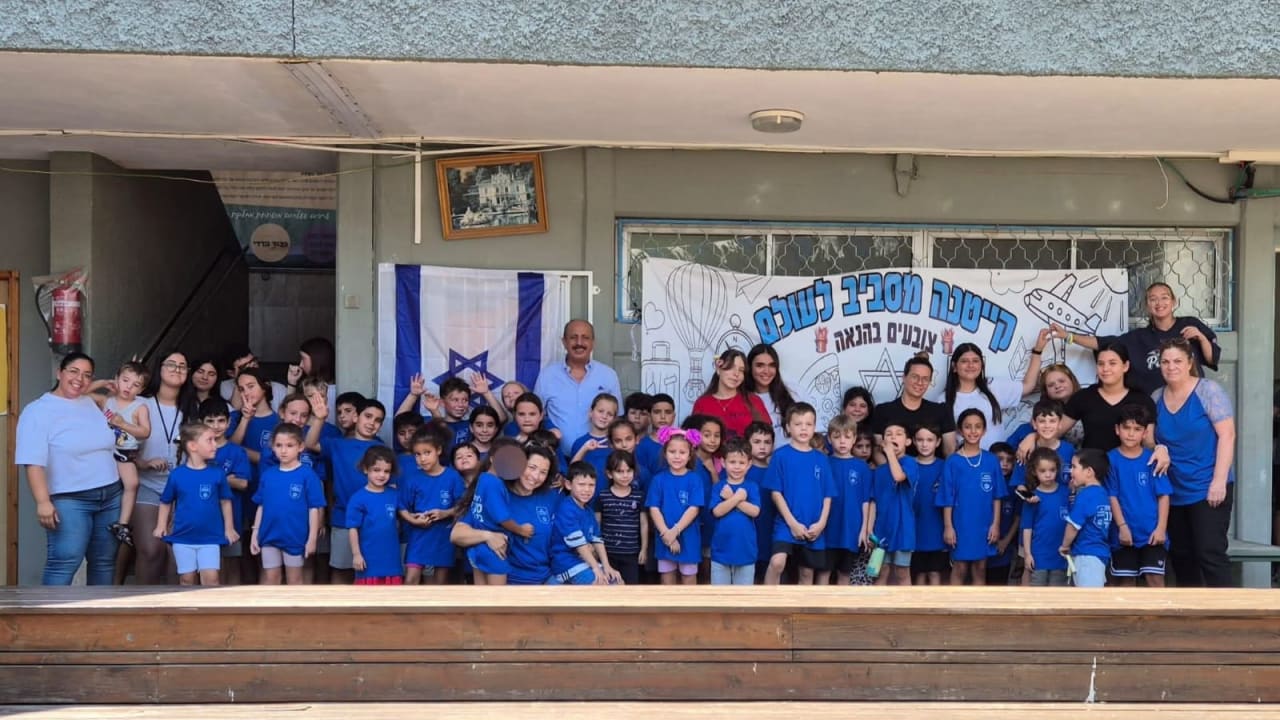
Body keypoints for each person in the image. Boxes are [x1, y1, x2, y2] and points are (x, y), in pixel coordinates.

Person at [16, 352, 122, 585]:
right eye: (73, 371)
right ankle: (49, 620)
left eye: (87, 375)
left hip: (111, 495)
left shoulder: (89, 402)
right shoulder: (37, 411)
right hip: (70, 499)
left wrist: (103, 383)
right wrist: (43, 502)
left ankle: (98, 620)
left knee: (104, 561)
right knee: (65, 561)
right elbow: (32, 461)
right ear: (59, 373)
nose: (80, 379)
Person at [1153, 338, 1235, 587]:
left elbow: (1227, 435)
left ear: (1190, 363)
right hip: (1174, 490)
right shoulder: (1156, 396)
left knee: (1209, 553)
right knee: (1181, 556)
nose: (1171, 366)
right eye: (1165, 361)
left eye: (1177, 361)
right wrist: (1159, 447)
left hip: (1208, 486)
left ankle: (1228, 617)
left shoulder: (1208, 391)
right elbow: (1149, 439)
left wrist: (1219, 481)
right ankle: (1193, 620)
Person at [1056, 282, 1222, 395]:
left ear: (1173, 302)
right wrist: (1068, 336)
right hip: (1155, 405)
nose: (1159, 303)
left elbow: (1211, 358)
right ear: (1147, 306)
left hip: (1192, 398)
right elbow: (1103, 342)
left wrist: (1200, 337)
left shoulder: (1190, 324)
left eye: (1164, 297)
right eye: (1153, 299)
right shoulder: (1138, 337)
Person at [305, 395, 387, 584]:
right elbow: (309, 444)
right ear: (356, 417)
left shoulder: (381, 448)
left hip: (373, 520)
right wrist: (319, 419)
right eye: (368, 416)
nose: (372, 423)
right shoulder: (337, 443)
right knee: (341, 570)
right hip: (342, 517)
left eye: (378, 420)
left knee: (369, 571)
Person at [133, 350, 197, 584]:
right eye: (171, 364)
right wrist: (142, 462)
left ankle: (172, 613)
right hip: (147, 484)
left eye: (182, 366)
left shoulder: (193, 409)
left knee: (176, 554)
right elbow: (121, 444)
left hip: (182, 489)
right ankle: (141, 609)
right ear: (158, 369)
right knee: (151, 550)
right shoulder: (142, 405)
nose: (177, 369)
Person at [155, 422, 238, 586]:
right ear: (193, 446)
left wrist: (229, 528)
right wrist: (161, 525)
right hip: (183, 536)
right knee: (187, 579)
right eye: (210, 440)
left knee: (212, 578)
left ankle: (208, 612)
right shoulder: (177, 475)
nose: (215, 445)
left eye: (215, 440)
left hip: (210, 536)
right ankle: (187, 611)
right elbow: (166, 501)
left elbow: (225, 502)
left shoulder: (217, 474)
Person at [762, 403, 835, 585]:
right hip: (787, 523)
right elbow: (775, 493)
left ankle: (803, 612)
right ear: (788, 427)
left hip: (814, 525)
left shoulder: (822, 459)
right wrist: (792, 523)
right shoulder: (780, 456)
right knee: (777, 562)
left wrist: (821, 523)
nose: (804, 428)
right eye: (798, 424)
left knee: (806, 572)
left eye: (808, 424)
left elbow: (828, 495)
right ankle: (765, 604)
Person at [249, 423, 324, 585]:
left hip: (295, 537)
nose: (283, 450)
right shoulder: (268, 474)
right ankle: (273, 611)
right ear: (272, 447)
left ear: (301, 447)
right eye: (279, 445)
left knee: (295, 581)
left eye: (289, 445)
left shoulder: (307, 475)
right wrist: (255, 534)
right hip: (268, 536)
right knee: (271, 579)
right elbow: (261, 506)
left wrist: (312, 539)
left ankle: (295, 611)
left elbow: (314, 509)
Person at [1107, 403, 1172, 588]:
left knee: (1155, 579)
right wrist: (1122, 526)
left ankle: (1159, 618)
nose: (1131, 433)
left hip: (1151, 532)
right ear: (1117, 430)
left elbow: (1164, 495)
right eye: (1126, 428)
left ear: (1145, 433)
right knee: (1126, 583)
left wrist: (1161, 528)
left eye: (1137, 429)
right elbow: (1112, 495)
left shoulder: (1153, 459)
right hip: (1124, 533)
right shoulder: (1111, 459)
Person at [89, 360, 151, 548]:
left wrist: (122, 423)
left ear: (140, 390)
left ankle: (122, 523)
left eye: (135, 385)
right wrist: (102, 383)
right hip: (103, 451)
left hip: (124, 451)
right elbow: (81, 394)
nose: (128, 387)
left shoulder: (140, 407)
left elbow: (145, 432)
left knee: (132, 483)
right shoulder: (106, 400)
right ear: (117, 379)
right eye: (125, 380)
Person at [939, 409, 1006, 585]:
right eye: (968, 427)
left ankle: (980, 610)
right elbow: (947, 497)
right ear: (960, 430)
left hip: (984, 524)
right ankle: (954, 610)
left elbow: (997, 496)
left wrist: (995, 525)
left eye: (978, 427)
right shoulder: (953, 461)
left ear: (984, 430)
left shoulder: (991, 460)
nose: (973, 431)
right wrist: (948, 527)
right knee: (959, 567)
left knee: (980, 567)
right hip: (960, 524)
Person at [534, 319, 622, 444]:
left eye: (585, 337)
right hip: (558, 457)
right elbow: (535, 415)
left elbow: (617, 418)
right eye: (573, 337)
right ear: (564, 342)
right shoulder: (547, 375)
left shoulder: (608, 375)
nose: (579, 343)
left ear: (593, 343)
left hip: (597, 456)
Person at [398, 427, 465, 585]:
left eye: (427, 453)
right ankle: (407, 610)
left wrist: (445, 513)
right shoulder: (412, 478)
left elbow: (463, 505)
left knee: (439, 584)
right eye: (417, 454)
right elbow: (402, 506)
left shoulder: (452, 476)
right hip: (418, 536)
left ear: (439, 450)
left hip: (443, 537)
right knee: (410, 579)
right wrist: (413, 520)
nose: (422, 459)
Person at [198, 397, 252, 585]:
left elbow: (244, 483)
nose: (216, 426)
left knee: (231, 565)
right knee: (207, 569)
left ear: (229, 422)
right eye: (210, 421)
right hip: (202, 519)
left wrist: (216, 480)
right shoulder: (196, 450)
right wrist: (226, 480)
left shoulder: (236, 452)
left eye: (221, 420)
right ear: (200, 423)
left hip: (232, 519)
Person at [645, 426, 705, 585]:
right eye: (672, 452)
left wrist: (675, 531)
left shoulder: (694, 479)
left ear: (690, 454)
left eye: (682, 452)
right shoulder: (658, 479)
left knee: (689, 578)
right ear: (665, 453)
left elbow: (694, 508)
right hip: (665, 537)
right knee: (667, 579)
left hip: (688, 537)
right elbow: (654, 508)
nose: (677, 456)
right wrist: (667, 535)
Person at [1009, 329, 1084, 448]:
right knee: (1024, 430)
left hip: (1083, 460)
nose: (1057, 386)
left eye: (1061, 381)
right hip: (1049, 460)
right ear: (1046, 391)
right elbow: (1028, 383)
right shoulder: (1044, 410)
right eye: (1051, 385)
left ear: (1072, 380)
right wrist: (1037, 351)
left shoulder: (1088, 400)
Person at [940, 343, 1022, 450]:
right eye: (964, 361)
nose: (971, 365)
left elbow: (1029, 386)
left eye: (975, 361)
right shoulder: (943, 399)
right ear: (954, 367)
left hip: (998, 462)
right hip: (965, 464)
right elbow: (948, 446)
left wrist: (1037, 351)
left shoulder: (993, 386)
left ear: (981, 365)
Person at [549, 462, 619, 584]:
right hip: (567, 564)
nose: (587, 490)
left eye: (591, 485)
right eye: (581, 484)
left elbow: (597, 539)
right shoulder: (567, 508)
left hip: (584, 562)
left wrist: (606, 566)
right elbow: (579, 544)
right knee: (601, 584)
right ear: (568, 484)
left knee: (617, 581)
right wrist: (596, 568)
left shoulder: (588, 510)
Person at [873, 354, 956, 456]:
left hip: (934, 472)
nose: (920, 382)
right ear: (904, 378)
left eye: (925, 379)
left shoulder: (942, 411)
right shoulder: (882, 411)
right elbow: (877, 451)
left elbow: (950, 450)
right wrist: (891, 471)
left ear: (930, 382)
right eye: (915, 377)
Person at [868, 423, 919, 586]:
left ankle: (908, 610)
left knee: (902, 572)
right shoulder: (879, 471)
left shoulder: (910, 463)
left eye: (898, 434)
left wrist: (889, 453)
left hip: (903, 529)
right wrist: (869, 529)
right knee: (880, 571)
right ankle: (877, 611)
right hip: (882, 529)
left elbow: (898, 476)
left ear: (908, 441)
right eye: (888, 434)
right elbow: (873, 502)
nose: (893, 437)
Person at [824, 415, 872, 587]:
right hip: (827, 527)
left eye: (847, 437)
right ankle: (819, 613)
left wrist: (864, 529)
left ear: (854, 439)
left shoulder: (862, 467)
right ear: (829, 439)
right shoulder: (824, 463)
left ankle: (840, 613)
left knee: (845, 573)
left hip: (851, 528)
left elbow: (865, 501)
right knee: (824, 572)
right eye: (837, 437)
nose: (842, 441)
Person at [502, 444, 559, 585]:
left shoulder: (551, 497)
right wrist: (488, 537)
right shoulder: (500, 495)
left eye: (543, 472)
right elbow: (459, 533)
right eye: (532, 468)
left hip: (546, 575)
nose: (536, 476)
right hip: (511, 578)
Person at [347, 446, 403, 585]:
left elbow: (405, 514)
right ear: (366, 469)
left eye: (386, 471)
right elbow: (353, 529)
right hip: (368, 560)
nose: (382, 475)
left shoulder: (394, 494)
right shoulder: (358, 498)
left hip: (391, 560)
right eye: (376, 470)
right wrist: (356, 555)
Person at [709, 439, 761, 585]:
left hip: (746, 552)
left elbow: (755, 511)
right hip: (721, 553)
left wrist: (732, 498)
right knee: (720, 599)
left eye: (741, 463)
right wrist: (737, 497)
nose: (737, 467)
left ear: (749, 464)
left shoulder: (752, 486)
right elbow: (717, 512)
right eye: (732, 462)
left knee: (743, 600)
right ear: (723, 463)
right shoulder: (719, 486)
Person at [1061, 449, 1114, 588]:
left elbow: (1073, 526)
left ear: (1089, 471)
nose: (1071, 471)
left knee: (1088, 604)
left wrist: (1065, 546)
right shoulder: (1102, 493)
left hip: (1086, 555)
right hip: (1099, 555)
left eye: (1074, 467)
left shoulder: (1085, 495)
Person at [693, 349, 771, 441]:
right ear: (718, 369)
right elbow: (693, 439)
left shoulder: (753, 401)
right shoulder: (702, 403)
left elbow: (767, 437)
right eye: (731, 368)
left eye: (741, 370)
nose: (736, 374)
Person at [1020, 447, 1071, 586]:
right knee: (1036, 595)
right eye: (1043, 471)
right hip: (1039, 555)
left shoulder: (1066, 493)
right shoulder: (1033, 498)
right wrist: (1027, 554)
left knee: (1056, 596)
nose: (1048, 475)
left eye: (1052, 470)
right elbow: (1027, 528)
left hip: (1061, 555)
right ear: (1034, 472)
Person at [595, 450, 647, 586]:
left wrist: (644, 549)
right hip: (608, 554)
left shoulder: (638, 496)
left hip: (631, 553)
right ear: (609, 474)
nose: (625, 475)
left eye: (628, 471)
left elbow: (644, 523)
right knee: (610, 590)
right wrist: (596, 550)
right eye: (619, 471)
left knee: (631, 589)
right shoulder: (602, 496)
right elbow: (596, 524)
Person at [910, 425, 947, 586]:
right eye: (920, 440)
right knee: (918, 574)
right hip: (914, 530)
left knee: (934, 573)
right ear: (913, 442)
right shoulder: (907, 465)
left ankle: (936, 610)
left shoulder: (945, 466)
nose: (925, 444)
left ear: (938, 442)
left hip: (937, 529)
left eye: (930, 440)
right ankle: (918, 611)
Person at [745, 344, 795, 446]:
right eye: (760, 365)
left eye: (772, 365)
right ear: (749, 367)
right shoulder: (743, 398)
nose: (766, 371)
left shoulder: (792, 392)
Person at [219, 344, 287, 414]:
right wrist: (240, 378)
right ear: (232, 373)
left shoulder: (279, 389)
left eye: (253, 361)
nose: (253, 367)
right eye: (244, 367)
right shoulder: (225, 387)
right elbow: (235, 412)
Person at [568, 393, 619, 483]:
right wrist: (585, 449)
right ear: (591, 412)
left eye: (610, 414)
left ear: (614, 419)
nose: (604, 416)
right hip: (585, 494)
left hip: (609, 496)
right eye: (600, 411)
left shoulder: (616, 443)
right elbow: (571, 473)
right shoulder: (580, 443)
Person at [637, 393, 675, 476]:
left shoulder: (683, 443)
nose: (663, 416)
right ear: (649, 416)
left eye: (668, 412)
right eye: (657, 412)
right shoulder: (643, 445)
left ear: (674, 417)